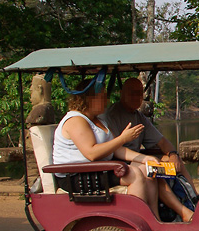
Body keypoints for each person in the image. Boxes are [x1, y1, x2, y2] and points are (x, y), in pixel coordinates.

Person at [52, 80, 160, 218]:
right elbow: (92, 153)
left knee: (146, 169)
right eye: (102, 97)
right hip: (75, 176)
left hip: (97, 170)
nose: (106, 100)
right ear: (89, 98)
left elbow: (116, 149)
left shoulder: (97, 120)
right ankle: (138, 219)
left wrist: (145, 158)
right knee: (134, 174)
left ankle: (154, 218)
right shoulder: (76, 120)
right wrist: (123, 138)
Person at [104, 78, 195, 222]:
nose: (137, 98)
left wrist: (172, 154)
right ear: (122, 93)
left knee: (174, 162)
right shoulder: (112, 116)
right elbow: (116, 149)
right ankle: (176, 213)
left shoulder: (138, 116)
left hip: (138, 161)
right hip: (121, 165)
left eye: (139, 94)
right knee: (154, 170)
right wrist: (144, 159)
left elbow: (162, 141)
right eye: (132, 93)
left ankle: (194, 201)